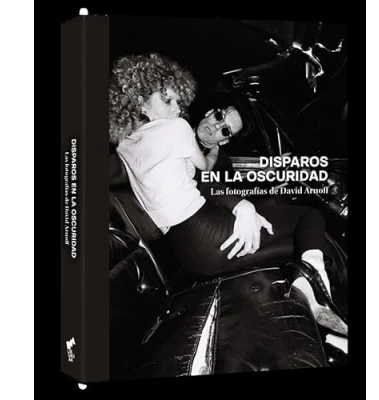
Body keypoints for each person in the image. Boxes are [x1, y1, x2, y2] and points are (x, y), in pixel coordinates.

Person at [109, 52, 347, 335]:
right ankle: (322, 291)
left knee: (306, 238)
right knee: (310, 218)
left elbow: (215, 181)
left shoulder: (125, 143)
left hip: (185, 250)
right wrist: (241, 205)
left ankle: (311, 293)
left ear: (225, 140)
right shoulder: (177, 129)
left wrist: (250, 197)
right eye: (220, 116)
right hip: (202, 230)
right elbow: (203, 174)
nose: (176, 109)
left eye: (225, 131)